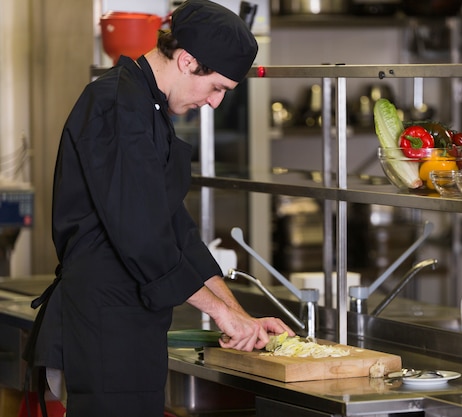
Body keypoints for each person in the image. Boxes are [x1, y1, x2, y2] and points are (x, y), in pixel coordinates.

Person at [24, 1, 294, 416]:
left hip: (132, 326)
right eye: (217, 87)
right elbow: (144, 238)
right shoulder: (117, 105)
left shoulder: (148, 107)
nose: (215, 102)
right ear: (187, 61)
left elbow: (174, 229)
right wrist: (221, 314)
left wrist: (241, 316)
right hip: (104, 326)